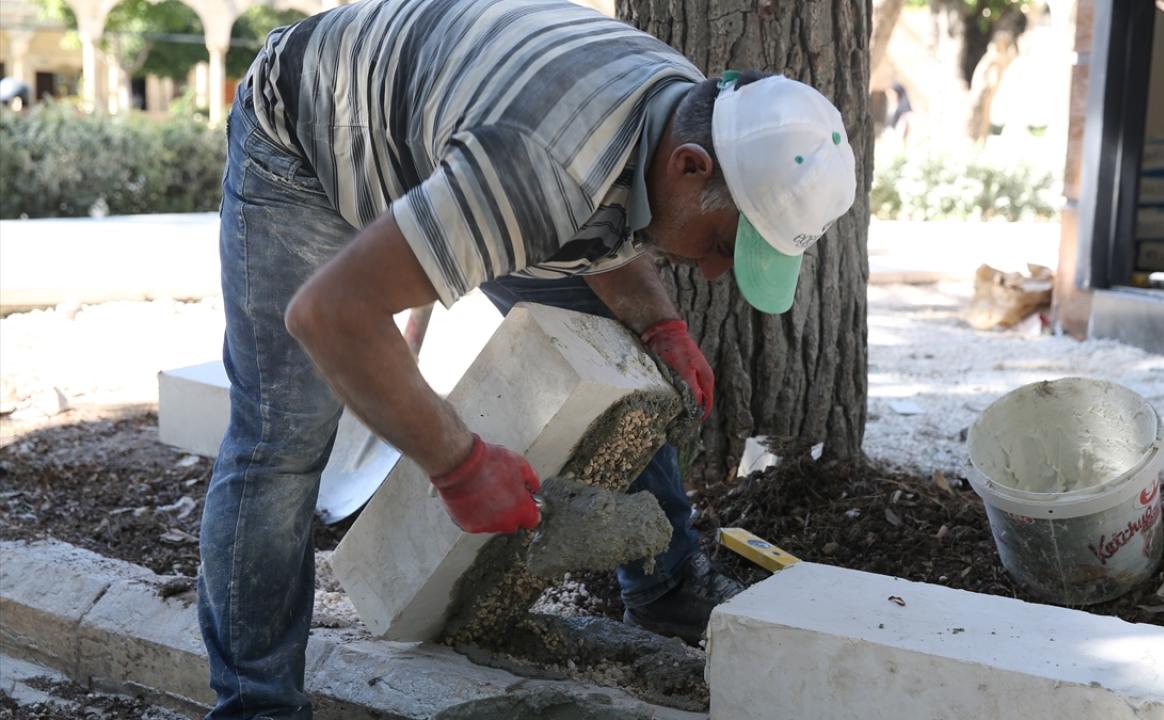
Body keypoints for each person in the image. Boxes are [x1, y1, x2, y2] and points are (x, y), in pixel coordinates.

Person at [197, 0, 857, 716]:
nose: (713, 274)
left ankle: (668, 591)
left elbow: (607, 218)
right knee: (281, 439)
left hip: (469, 144)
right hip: (309, 130)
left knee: (626, 354)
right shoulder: (539, 172)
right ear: (691, 167)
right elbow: (330, 314)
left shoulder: (691, 112)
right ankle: (257, 703)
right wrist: (458, 464)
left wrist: (658, 322)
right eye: (725, 245)